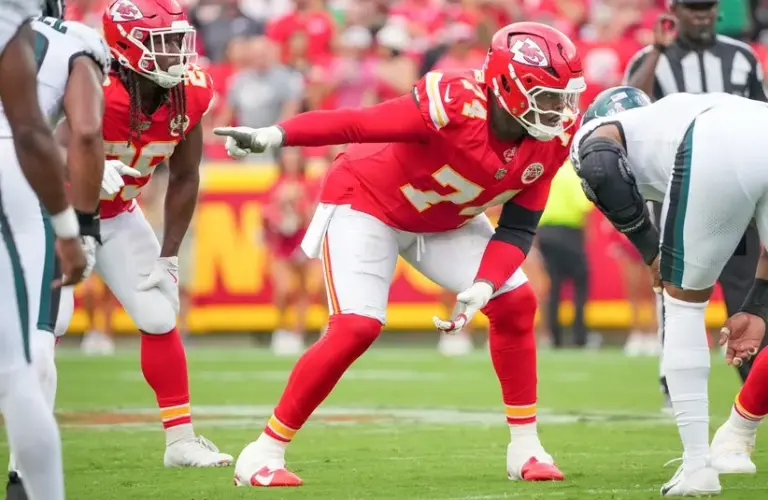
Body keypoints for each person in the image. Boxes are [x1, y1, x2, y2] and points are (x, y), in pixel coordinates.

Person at [216, 21, 586, 487]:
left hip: (442, 219)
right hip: (367, 201)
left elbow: (518, 228)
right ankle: (262, 453)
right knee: (356, 325)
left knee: (515, 301)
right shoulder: (454, 104)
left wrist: (486, 283)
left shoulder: (551, 139)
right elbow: (358, 123)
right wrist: (276, 134)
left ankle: (526, 449)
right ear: (508, 86)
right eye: (550, 96)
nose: (561, 109)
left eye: (565, 95)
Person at [53, 0, 234, 468]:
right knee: (49, 325)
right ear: (124, 45)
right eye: (163, 43)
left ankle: (180, 443)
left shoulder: (189, 92)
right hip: (53, 213)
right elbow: (45, 152)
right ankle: (31, 449)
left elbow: (186, 175)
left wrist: (169, 255)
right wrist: (87, 170)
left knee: (158, 315)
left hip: (117, 213)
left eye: (179, 40)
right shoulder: (93, 83)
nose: (177, 53)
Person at [570, 85, 768, 496]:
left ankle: (697, 466)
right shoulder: (674, 111)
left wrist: (648, 249)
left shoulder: (609, 127)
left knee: (682, 306)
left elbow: (600, 167)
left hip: (716, 139)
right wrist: (759, 305)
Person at [624, 0, 767, 385]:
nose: (701, 16)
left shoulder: (741, 56)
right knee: (677, 291)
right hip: (676, 193)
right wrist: (656, 51)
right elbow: (629, 111)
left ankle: (753, 382)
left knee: (744, 286)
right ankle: (675, 378)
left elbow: (761, 115)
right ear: (675, 11)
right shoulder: (652, 56)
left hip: (736, 189)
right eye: (692, 8)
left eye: (707, 8)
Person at [1, 0, 107, 498]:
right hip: (15, 177)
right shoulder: (70, 39)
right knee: (30, 357)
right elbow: (82, 132)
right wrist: (77, 226)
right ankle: (26, 484)